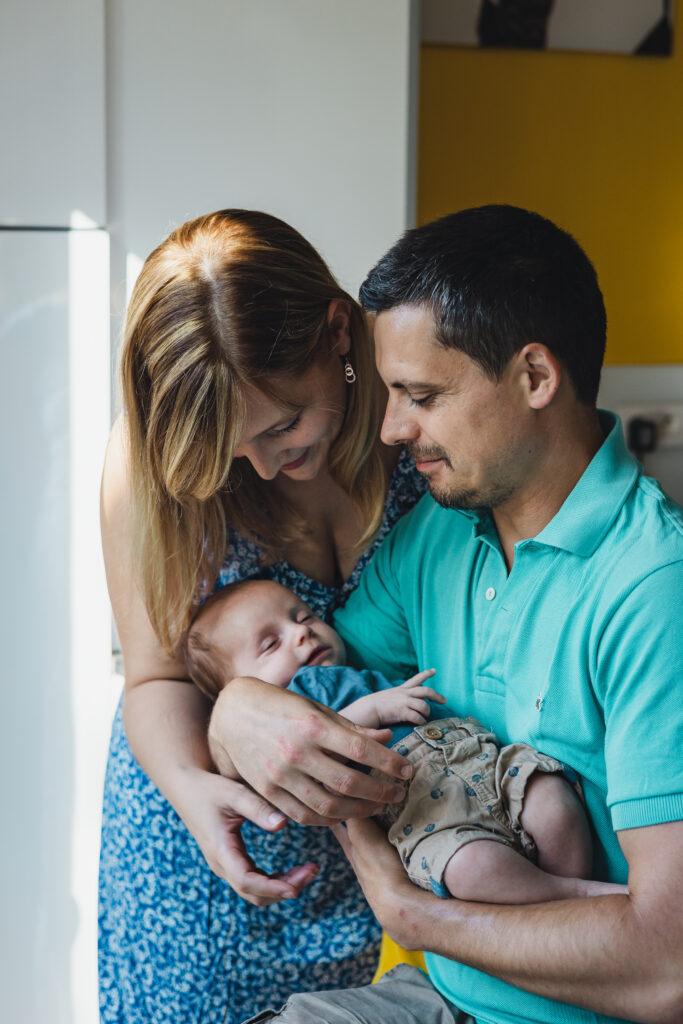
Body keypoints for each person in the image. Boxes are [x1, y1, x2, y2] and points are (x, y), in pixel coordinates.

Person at [205, 205, 683, 1024]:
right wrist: (235, 711)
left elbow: (668, 966)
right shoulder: (436, 536)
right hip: (436, 994)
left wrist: (412, 916)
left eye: (419, 395)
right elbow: (317, 699)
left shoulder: (651, 587)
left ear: (534, 377)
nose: (391, 430)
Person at [98, 208, 430, 1024]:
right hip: (200, 874)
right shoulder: (144, 468)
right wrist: (194, 792)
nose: (263, 464)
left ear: (337, 332)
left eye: (283, 424)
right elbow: (152, 678)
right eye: (231, 450)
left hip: (358, 853)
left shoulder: (419, 412)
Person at [186, 577, 627, 906]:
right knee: (470, 868)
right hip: (430, 822)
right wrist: (374, 710)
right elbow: (320, 747)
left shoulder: (357, 669)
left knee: (550, 797)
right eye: (270, 644)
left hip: (481, 762)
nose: (301, 633)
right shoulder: (285, 723)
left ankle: (571, 885)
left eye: (304, 617)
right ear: (237, 688)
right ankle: (566, 896)